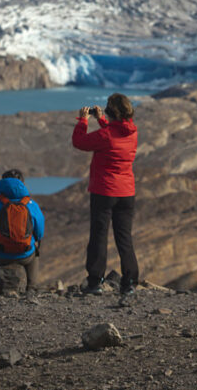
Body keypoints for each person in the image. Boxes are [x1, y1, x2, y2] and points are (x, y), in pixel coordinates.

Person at [72, 93, 139, 296]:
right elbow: (115, 134)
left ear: (111, 112)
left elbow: (79, 142)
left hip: (104, 192)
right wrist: (101, 120)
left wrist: (83, 120)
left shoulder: (105, 135)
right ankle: (129, 282)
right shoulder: (133, 133)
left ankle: (95, 282)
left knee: (99, 237)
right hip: (126, 193)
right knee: (124, 238)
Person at [0, 168, 45, 289]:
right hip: (25, 255)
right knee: (36, 244)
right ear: (22, 184)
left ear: (2, 183)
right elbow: (39, 233)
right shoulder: (31, 205)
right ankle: (32, 286)